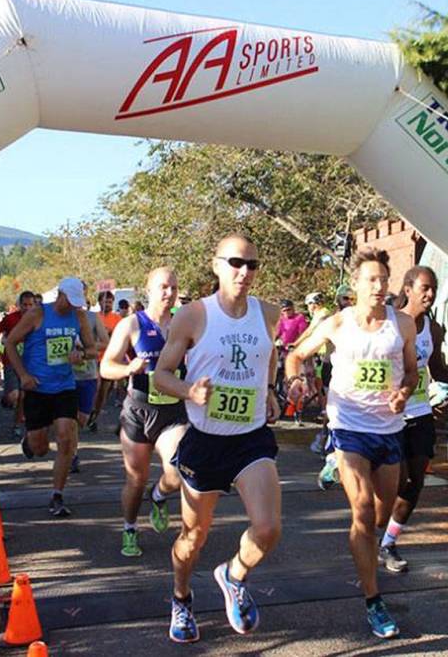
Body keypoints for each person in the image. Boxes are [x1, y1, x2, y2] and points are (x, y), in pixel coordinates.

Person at [152, 234, 281, 644]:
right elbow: (161, 375)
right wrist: (189, 391)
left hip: (251, 438)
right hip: (206, 441)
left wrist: (271, 389)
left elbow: (270, 354)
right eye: (235, 263)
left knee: (268, 528)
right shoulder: (193, 316)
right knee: (193, 538)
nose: (244, 272)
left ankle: (233, 575)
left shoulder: (269, 313)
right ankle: (181, 597)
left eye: (252, 265)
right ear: (216, 265)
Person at [286, 248, 418, 639]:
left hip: (388, 430)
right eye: (371, 280)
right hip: (348, 427)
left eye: (384, 280)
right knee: (361, 509)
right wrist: (297, 380)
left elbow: (412, 372)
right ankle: (374, 600)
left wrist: (404, 393)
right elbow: (297, 354)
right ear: (355, 284)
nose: (379, 287)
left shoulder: (403, 324)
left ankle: (337, 474)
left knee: (379, 516)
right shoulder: (337, 323)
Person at [377, 265, 448, 573]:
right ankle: (368, 524)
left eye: (433, 289)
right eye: (424, 288)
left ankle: (388, 543)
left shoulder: (434, 329)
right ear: (408, 290)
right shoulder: (389, 323)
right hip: (388, 416)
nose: (430, 294)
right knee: (395, 482)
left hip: (419, 413)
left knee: (414, 483)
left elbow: (438, 371)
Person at [100, 267, 188, 557]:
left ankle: (159, 494)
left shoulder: (184, 324)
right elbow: (106, 367)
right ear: (149, 290)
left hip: (172, 412)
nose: (169, 293)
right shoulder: (131, 324)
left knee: (177, 470)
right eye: (163, 287)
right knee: (136, 479)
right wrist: (128, 368)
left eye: (173, 288)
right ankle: (129, 528)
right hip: (139, 411)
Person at [5, 278, 94, 517]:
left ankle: (57, 495)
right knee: (40, 449)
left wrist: (81, 354)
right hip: (37, 388)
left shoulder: (79, 316)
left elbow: (93, 349)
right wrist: (23, 375)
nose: (73, 306)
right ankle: (30, 439)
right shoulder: (37, 314)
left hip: (65, 386)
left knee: (66, 438)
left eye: (77, 302)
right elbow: (10, 343)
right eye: (70, 300)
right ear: (60, 294)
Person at [72, 288, 109, 474]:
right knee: (68, 418)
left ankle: (69, 445)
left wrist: (87, 347)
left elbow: (106, 342)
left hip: (88, 374)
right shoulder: (60, 318)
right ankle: (72, 454)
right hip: (65, 375)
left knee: (82, 418)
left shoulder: (92, 317)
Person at [0, 291, 36, 437]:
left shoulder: (38, 319)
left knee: (23, 395)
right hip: (10, 361)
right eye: (24, 305)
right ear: (19, 305)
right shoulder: (10, 318)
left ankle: (17, 424)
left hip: (29, 362)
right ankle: (6, 399)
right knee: (14, 396)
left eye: (30, 305)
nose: (27, 308)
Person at [297, 292, 332, 454]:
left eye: (309, 304)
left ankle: (325, 430)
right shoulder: (321, 314)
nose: (309, 308)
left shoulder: (322, 314)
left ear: (315, 303)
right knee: (320, 388)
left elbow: (309, 332)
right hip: (322, 356)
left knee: (324, 391)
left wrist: (295, 344)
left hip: (325, 357)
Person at [89, 290, 123, 431]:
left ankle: (95, 416)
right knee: (95, 388)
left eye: (110, 302)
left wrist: (110, 332)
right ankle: (88, 410)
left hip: (109, 359)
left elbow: (120, 337)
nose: (107, 304)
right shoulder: (94, 317)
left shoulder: (117, 319)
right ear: (99, 302)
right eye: (105, 302)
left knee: (104, 391)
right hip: (95, 358)